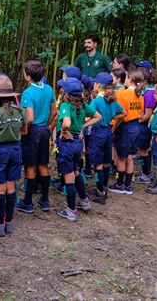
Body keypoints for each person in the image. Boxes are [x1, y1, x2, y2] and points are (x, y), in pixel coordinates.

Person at [0, 77, 27, 236]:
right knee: (10, 185)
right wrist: (12, 133)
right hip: (15, 149)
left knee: (0, 186)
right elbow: (25, 131)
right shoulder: (20, 111)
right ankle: (9, 223)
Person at [55, 78, 101, 221]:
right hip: (77, 143)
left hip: (66, 144)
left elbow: (66, 123)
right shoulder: (82, 105)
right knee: (76, 172)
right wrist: (82, 127)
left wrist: (63, 131)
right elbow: (98, 116)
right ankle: (84, 201)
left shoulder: (65, 105)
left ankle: (71, 210)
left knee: (69, 177)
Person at [16, 61, 56, 215]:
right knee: (43, 164)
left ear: (28, 76)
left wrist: (22, 129)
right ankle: (44, 200)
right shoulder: (48, 88)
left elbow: (30, 117)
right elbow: (54, 112)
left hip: (32, 132)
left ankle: (27, 202)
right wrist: (47, 125)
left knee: (30, 166)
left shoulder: (28, 92)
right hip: (45, 129)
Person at [87, 73, 126, 204]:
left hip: (98, 133)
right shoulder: (112, 100)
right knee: (105, 163)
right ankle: (104, 189)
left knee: (97, 163)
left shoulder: (96, 101)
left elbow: (89, 117)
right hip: (108, 132)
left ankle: (99, 193)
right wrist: (112, 117)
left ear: (98, 85)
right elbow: (124, 113)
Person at [109, 70, 145, 195]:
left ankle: (119, 184)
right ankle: (128, 185)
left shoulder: (124, 95)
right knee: (130, 156)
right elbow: (141, 115)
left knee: (121, 157)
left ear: (129, 79)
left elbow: (121, 116)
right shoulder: (140, 96)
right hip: (136, 127)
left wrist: (114, 128)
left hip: (125, 127)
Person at [134, 66, 157, 184]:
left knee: (143, 150)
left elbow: (148, 114)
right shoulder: (149, 91)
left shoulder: (149, 94)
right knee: (143, 149)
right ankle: (146, 171)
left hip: (145, 126)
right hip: (145, 126)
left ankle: (146, 175)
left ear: (144, 81)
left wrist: (136, 121)